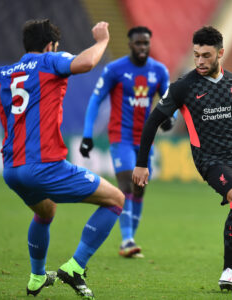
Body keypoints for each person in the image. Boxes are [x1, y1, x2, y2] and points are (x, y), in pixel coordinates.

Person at [132, 26, 232, 292]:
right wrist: (142, 163)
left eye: (206, 55)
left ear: (220, 53)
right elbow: (153, 121)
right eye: (196, 55)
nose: (200, 61)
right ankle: (229, 270)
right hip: (211, 159)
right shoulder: (183, 87)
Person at [0, 19, 125, 299]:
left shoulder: (2, 74)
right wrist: (102, 40)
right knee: (116, 199)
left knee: (45, 211)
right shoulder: (50, 61)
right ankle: (75, 267)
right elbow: (86, 63)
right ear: (50, 45)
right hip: (43, 165)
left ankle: (37, 277)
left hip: (11, 169)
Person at [80, 26, 174, 258]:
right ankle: (127, 240)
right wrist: (87, 134)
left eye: (146, 43)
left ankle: (130, 236)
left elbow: (170, 100)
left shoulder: (159, 71)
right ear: (130, 44)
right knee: (127, 184)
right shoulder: (115, 69)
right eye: (138, 43)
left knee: (139, 189)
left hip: (145, 139)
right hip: (120, 136)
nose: (142, 47)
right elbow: (95, 99)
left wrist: (170, 118)